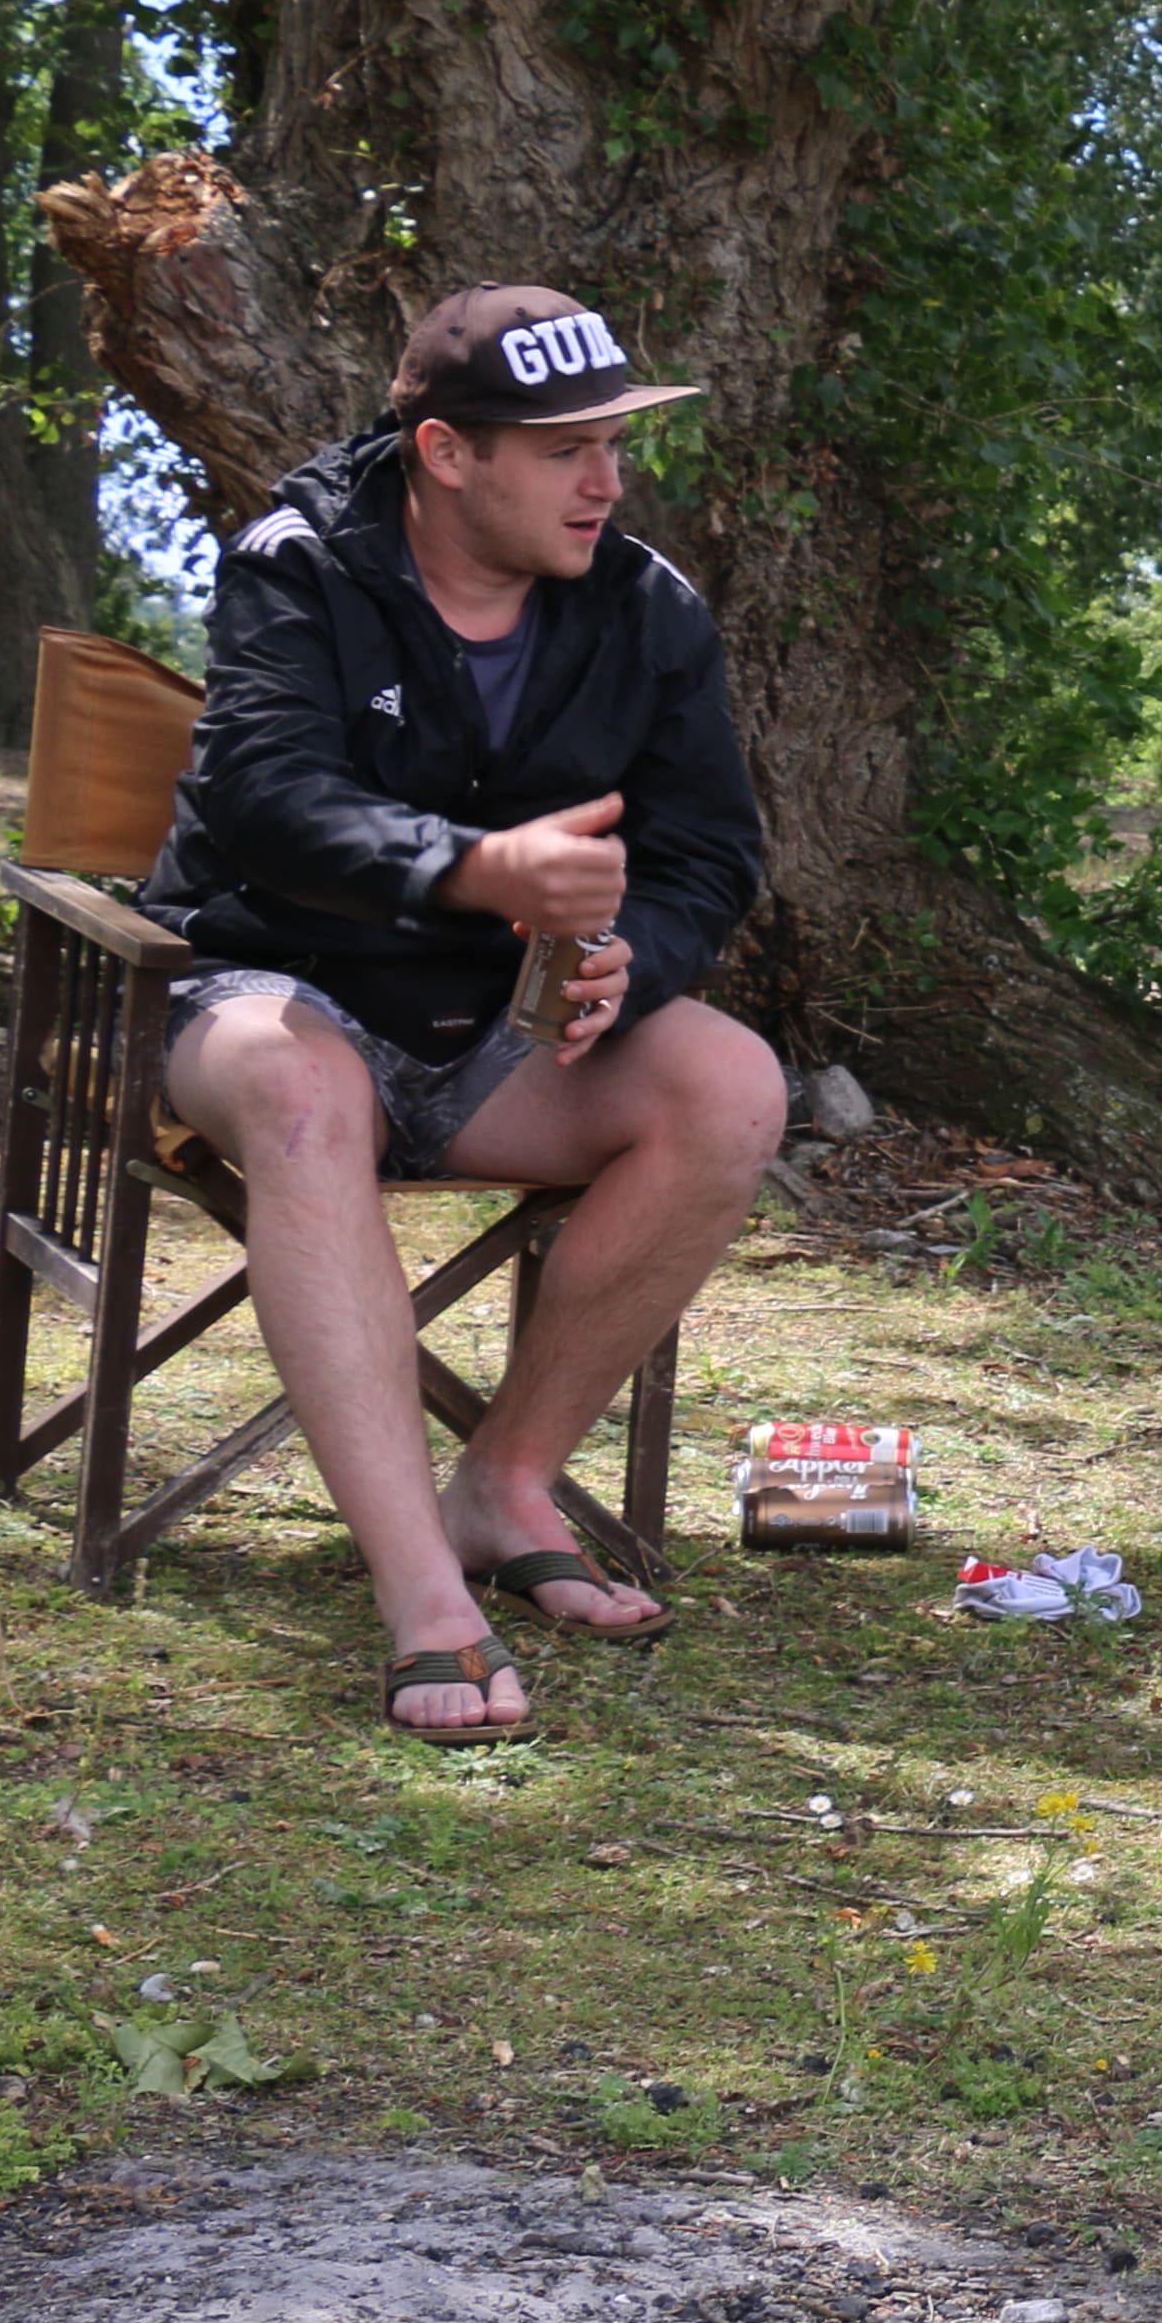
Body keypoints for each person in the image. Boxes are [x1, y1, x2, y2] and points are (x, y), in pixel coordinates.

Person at [147, 285, 783, 1742]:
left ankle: (503, 1484)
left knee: (732, 1086)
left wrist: (638, 956)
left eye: (613, 445)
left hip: (495, 1036)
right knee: (304, 1095)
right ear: (446, 452)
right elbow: (263, 798)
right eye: (565, 451)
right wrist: (472, 870)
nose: (605, 483)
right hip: (262, 994)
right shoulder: (298, 564)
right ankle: (423, 1595)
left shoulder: (647, 605)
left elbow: (707, 852)